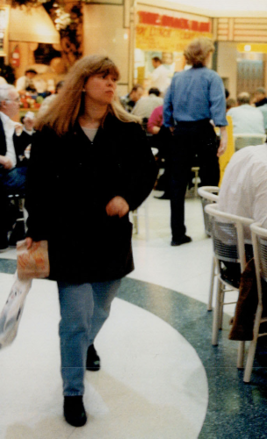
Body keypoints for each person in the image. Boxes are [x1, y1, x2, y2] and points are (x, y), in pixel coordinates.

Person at [24, 55, 157, 427]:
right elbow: (37, 183)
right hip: (68, 236)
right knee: (75, 319)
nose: (111, 84)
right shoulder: (53, 129)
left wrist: (127, 198)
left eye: (114, 78)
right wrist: (36, 228)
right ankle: (73, 392)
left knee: (100, 308)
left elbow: (146, 170)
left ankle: (86, 344)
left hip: (110, 236)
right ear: (83, 83)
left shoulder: (127, 128)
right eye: (102, 77)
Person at [163, 37, 227, 246]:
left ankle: (177, 233)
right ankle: (212, 228)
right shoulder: (212, 77)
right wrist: (223, 134)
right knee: (210, 179)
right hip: (204, 131)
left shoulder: (177, 78)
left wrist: (171, 124)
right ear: (207, 54)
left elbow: (167, 106)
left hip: (181, 132)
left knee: (177, 182)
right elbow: (217, 106)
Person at [0, 86, 32, 250]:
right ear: (4, 103)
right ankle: (24, 231)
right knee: (41, 178)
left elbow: (19, 150)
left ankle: (19, 231)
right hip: (4, 174)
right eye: (17, 100)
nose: (20, 103)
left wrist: (27, 129)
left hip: (12, 171)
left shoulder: (9, 124)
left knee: (39, 174)